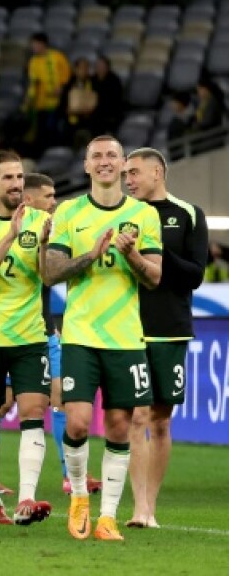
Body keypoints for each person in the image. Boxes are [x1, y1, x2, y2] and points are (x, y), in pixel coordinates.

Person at [43, 135, 162, 542]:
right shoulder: (70, 212)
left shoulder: (144, 215)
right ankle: (79, 498)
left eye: (113, 155)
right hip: (80, 335)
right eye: (98, 156)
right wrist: (92, 255)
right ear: (87, 166)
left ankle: (107, 517)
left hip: (126, 339)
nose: (106, 161)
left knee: (118, 425)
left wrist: (131, 255)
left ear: (123, 164)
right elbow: (51, 271)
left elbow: (155, 277)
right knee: (76, 423)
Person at [0, 152, 55, 526]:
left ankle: (27, 499)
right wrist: (11, 236)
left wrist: (46, 246)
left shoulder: (42, 220)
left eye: (20, 177)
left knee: (34, 412)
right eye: (9, 178)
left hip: (31, 335)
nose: (17, 184)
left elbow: (47, 277)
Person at [123, 148, 207, 529]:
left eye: (135, 173)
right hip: (126, 328)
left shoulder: (187, 214)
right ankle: (138, 506)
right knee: (135, 415)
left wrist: (152, 254)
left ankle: (149, 508)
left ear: (157, 172)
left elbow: (194, 275)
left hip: (169, 328)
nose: (129, 180)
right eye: (126, 174)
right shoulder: (123, 215)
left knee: (159, 420)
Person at [23, 173, 98, 496]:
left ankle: (70, 475)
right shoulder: (8, 231)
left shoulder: (56, 231)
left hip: (46, 329)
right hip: (13, 334)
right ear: (29, 199)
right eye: (48, 195)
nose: (54, 201)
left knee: (61, 399)